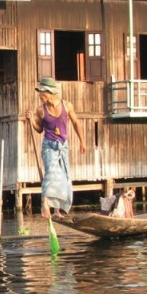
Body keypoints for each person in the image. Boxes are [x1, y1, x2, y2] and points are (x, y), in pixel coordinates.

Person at [28, 77, 87, 219]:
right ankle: (44, 205)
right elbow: (39, 130)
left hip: (63, 146)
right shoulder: (41, 110)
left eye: (42, 92)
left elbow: (76, 123)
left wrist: (82, 141)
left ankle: (56, 210)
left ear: (50, 92)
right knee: (51, 173)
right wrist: (32, 121)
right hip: (49, 146)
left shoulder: (67, 106)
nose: (40, 95)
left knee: (63, 177)